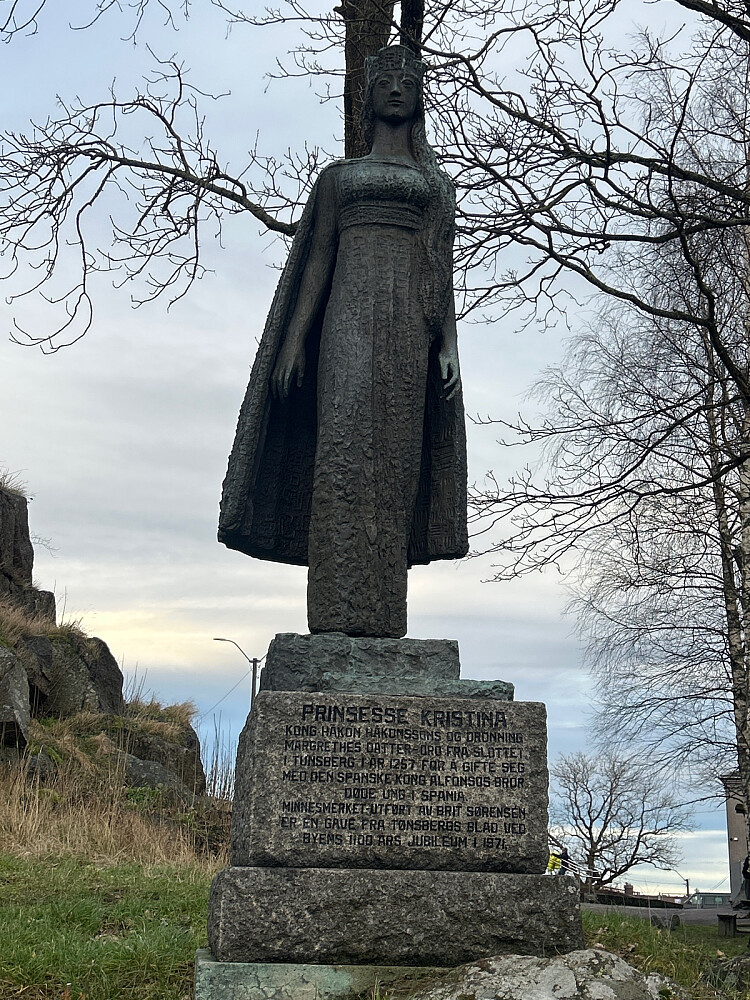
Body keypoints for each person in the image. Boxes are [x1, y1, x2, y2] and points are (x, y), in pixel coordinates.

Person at [219, 44, 468, 638]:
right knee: (343, 451)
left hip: (408, 332)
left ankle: (384, 616)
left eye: (410, 81)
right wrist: (294, 341)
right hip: (348, 330)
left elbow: (439, 269)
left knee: (396, 461)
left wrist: (448, 344)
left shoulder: (433, 187)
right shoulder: (340, 180)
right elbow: (317, 264)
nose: (398, 90)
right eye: (387, 81)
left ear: (419, 97)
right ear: (369, 94)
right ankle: (335, 612)